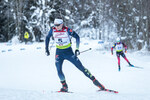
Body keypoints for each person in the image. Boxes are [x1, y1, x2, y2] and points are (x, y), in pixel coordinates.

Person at [45, 18, 105, 92]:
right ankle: (64, 86)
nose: (56, 27)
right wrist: (46, 49)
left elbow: (77, 37)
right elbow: (47, 37)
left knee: (81, 68)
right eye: (55, 25)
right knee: (59, 70)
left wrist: (77, 49)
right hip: (59, 53)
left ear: (62, 24)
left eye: (58, 25)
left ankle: (97, 83)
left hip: (69, 52)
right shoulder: (52, 30)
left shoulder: (67, 30)